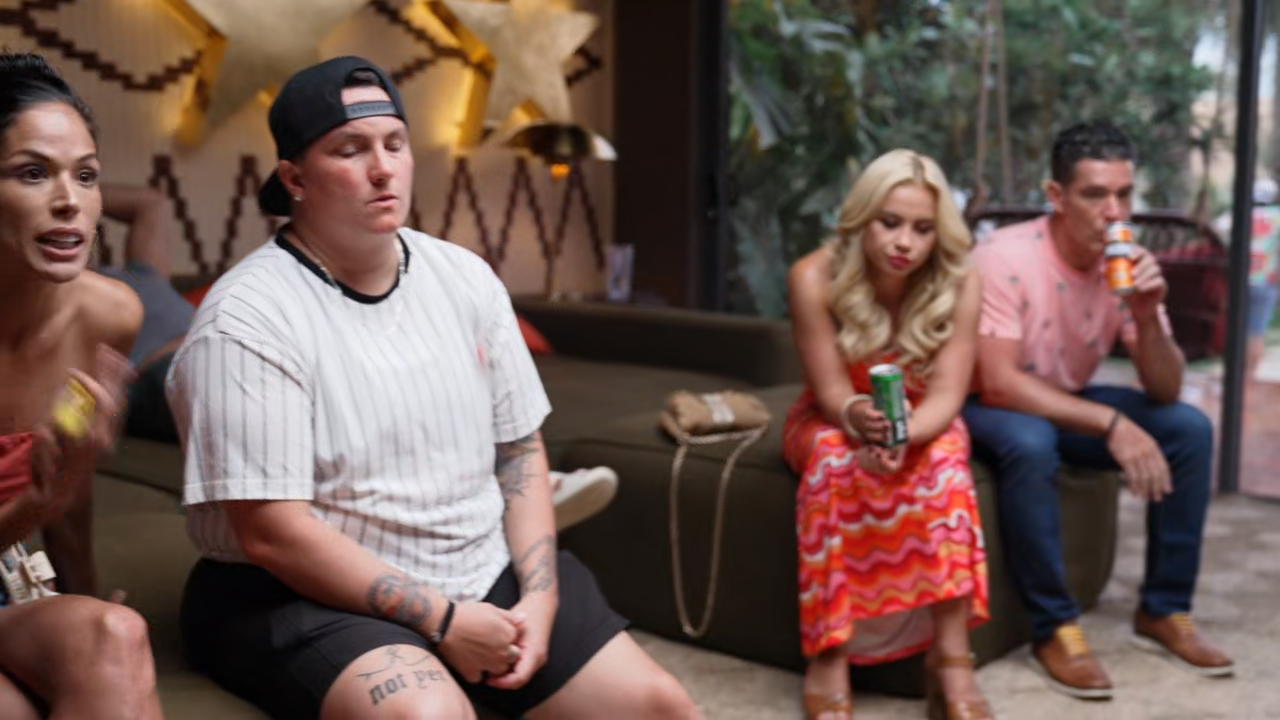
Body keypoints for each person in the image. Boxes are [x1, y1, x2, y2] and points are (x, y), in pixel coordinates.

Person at [165, 56, 699, 720]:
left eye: (394, 143)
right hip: (298, 591)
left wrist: (539, 597)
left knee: (662, 708)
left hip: (475, 563)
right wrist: (444, 621)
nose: (382, 168)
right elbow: (274, 535)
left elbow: (518, 448)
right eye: (350, 150)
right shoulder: (247, 318)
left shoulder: (465, 278)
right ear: (294, 179)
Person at [95, 183, 619, 531]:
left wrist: (67, 188)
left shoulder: (142, 273)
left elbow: (149, 202)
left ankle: (508, 483)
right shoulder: (78, 296)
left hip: (243, 351)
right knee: (326, 400)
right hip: (168, 375)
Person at [961, 120, 1234, 701]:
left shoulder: (1125, 263)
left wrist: (1147, 313)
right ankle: (1054, 628)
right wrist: (1113, 424)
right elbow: (1001, 384)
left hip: (1063, 397)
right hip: (983, 401)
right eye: (1095, 195)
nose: (1115, 212)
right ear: (1056, 196)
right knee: (1031, 442)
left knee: (1188, 429)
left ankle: (1164, 609)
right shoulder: (1001, 257)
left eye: (1125, 195)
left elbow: (1165, 388)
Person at [784, 149, 991, 720]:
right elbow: (831, 393)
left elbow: (948, 395)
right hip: (832, 418)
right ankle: (830, 651)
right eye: (890, 223)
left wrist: (902, 437)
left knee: (945, 461)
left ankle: (952, 660)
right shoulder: (812, 276)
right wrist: (862, 422)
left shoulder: (962, 280)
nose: (905, 243)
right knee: (833, 458)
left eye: (923, 229)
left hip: (924, 421)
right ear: (861, 218)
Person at [0, 51, 164, 719]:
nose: (70, 200)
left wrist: (84, 598)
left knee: (114, 637)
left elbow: (70, 487)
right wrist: (37, 504)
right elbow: (50, 495)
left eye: (87, 175)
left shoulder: (110, 316)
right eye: (32, 173)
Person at [1212, 177, 1280, 388]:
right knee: (1256, 330)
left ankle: (1234, 374)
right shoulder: (1277, 216)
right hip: (1266, 280)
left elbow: (1216, 228)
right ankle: (1250, 377)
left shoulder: (1240, 214)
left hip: (1239, 279)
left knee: (1235, 327)